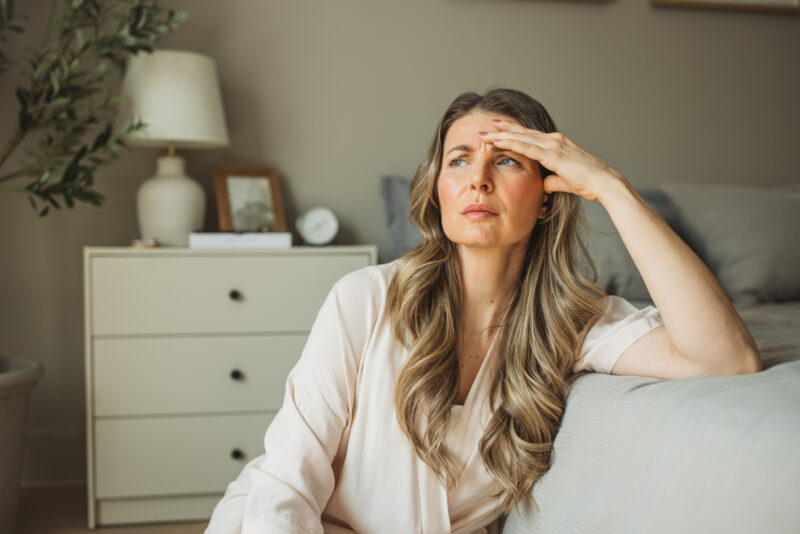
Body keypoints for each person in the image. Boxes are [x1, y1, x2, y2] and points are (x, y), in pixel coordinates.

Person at [204, 88, 761, 534]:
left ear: (546, 196)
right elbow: (286, 486)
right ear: (438, 189)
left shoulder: (569, 322)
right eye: (460, 159)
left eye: (509, 159)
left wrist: (610, 187)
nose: (478, 177)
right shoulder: (364, 299)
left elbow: (725, 356)